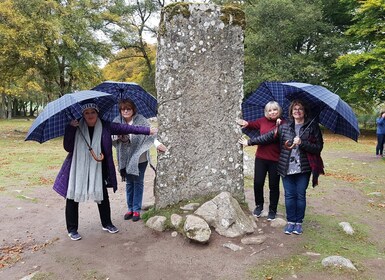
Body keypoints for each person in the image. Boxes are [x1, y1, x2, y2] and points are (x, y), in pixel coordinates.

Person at [53, 103, 157, 241]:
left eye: (93, 112)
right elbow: (68, 147)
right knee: (72, 196)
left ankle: (107, 223)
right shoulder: (75, 125)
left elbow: (127, 127)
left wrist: (147, 130)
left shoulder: (106, 126)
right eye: (87, 113)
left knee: (102, 195)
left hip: (98, 167)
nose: (90, 115)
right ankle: (72, 229)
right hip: (78, 167)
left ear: (97, 113)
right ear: (83, 115)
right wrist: (71, 128)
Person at [243, 100, 324, 235]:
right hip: (286, 167)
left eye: (300, 109)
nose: (297, 111)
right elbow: (267, 137)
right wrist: (249, 142)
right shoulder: (285, 126)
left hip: (303, 168)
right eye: (295, 109)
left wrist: (302, 143)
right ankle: (291, 221)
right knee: (289, 195)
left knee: (300, 195)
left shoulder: (312, 127)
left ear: (305, 112)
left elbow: (318, 148)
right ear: (291, 112)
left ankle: (298, 223)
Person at [112, 99, 167, 222]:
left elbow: (151, 133)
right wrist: (119, 138)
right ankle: (130, 208)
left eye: (128, 109)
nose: (126, 111)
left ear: (133, 110)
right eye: (123, 109)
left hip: (140, 157)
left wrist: (157, 145)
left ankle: (136, 209)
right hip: (125, 158)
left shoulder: (141, 119)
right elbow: (112, 138)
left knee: (138, 182)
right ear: (120, 110)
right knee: (129, 183)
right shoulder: (116, 121)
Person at [238, 101, 283, 220]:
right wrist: (246, 123)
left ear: (279, 111)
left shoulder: (283, 123)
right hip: (261, 158)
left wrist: (279, 127)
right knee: (258, 183)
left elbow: (270, 138)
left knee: (273, 186)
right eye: (270, 110)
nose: (272, 112)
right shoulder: (263, 121)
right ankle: (259, 206)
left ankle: (272, 210)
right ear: (266, 112)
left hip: (276, 160)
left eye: (275, 110)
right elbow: (252, 125)